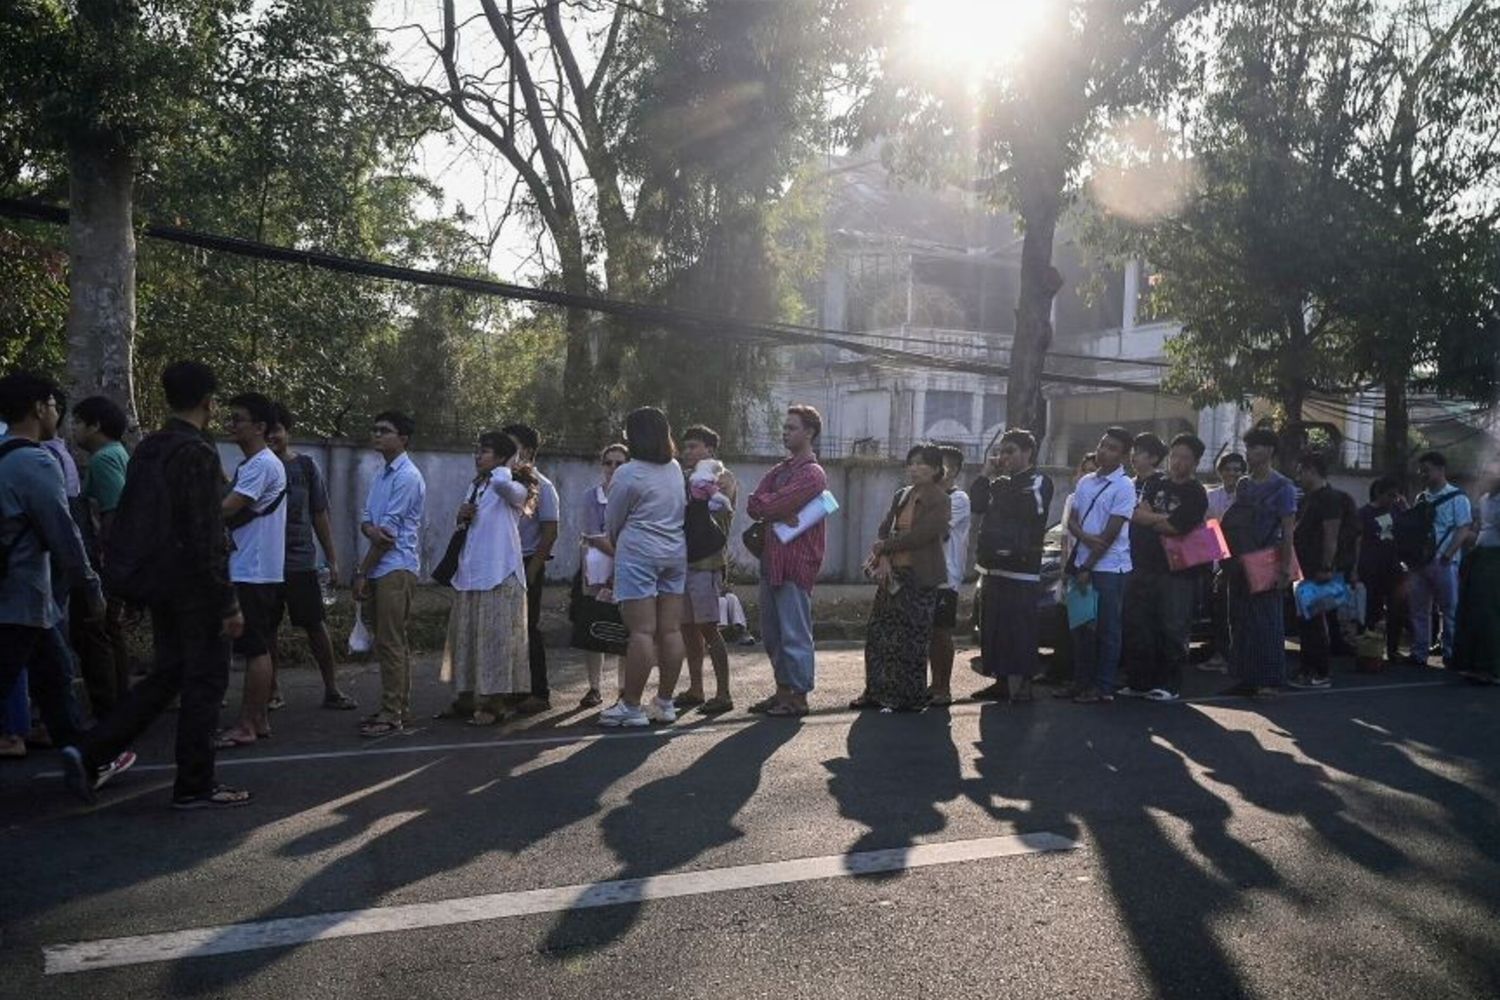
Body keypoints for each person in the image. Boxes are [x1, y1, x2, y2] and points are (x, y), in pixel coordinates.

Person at [72, 360, 248, 808]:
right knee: (206, 683)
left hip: (158, 583)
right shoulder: (197, 452)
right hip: (196, 587)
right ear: (209, 402)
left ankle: (92, 750)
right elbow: (206, 533)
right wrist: (227, 601)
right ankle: (195, 785)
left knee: (166, 674)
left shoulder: (149, 446)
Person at [0, 372, 133, 795]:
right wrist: (90, 588)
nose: (58, 414)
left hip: (29, 603)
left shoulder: (3, 456)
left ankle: (84, 758)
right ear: (39, 408)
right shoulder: (34, 462)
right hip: (19, 598)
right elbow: (63, 534)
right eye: (55, 406)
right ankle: (86, 758)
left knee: (56, 681)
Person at [438, 431, 537, 725]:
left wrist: (504, 468)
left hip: (499, 573)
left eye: (485, 451)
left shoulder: (510, 483)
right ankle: (466, 698)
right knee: (467, 639)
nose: (478, 456)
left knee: (496, 641)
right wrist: (462, 514)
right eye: (478, 450)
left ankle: (495, 704)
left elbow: (514, 494)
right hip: (470, 572)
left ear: (501, 457)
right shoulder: (476, 485)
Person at [599, 407, 688, 727]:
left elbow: (614, 520)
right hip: (675, 553)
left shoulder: (628, 472)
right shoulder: (675, 468)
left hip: (638, 552)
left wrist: (617, 541)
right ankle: (665, 703)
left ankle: (632, 706)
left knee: (641, 631)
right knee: (670, 630)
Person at [265, 403, 355, 711]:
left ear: (287, 431)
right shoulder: (253, 468)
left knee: (315, 624)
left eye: (276, 430)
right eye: (265, 431)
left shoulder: (305, 466)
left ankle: (332, 688)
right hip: (265, 564)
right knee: (266, 630)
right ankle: (271, 690)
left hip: (300, 561)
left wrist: (332, 558)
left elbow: (319, 514)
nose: (271, 437)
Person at [852, 445, 951, 712]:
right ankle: (875, 691)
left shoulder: (940, 499)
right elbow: (884, 529)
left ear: (936, 469)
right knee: (879, 634)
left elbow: (922, 535)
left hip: (920, 577)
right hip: (892, 575)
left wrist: (885, 547)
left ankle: (909, 696)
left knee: (912, 639)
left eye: (922, 464)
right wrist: (883, 556)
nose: (915, 468)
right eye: (912, 463)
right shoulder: (902, 495)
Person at [215, 393, 288, 749]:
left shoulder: (261, 464)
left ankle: (246, 723)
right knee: (256, 645)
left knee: (255, 648)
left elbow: (228, 509)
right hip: (255, 567)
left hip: (252, 569)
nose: (232, 425)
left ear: (260, 427)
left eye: (238, 419)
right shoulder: (255, 465)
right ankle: (257, 719)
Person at [746, 405, 829, 717]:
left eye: (792, 427)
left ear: (809, 432)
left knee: (794, 632)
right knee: (772, 634)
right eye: (785, 427)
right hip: (772, 559)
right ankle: (782, 691)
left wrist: (774, 506)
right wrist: (776, 507)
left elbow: (771, 504)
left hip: (796, 562)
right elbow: (754, 505)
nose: (785, 432)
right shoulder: (780, 470)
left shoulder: (812, 473)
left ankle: (798, 696)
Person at [1120, 433, 1210, 702]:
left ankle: (1169, 684)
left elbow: (1176, 527)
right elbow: (1137, 514)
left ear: (1195, 463)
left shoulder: (1196, 492)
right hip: (1143, 564)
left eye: (1185, 458)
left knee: (1172, 627)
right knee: (1140, 625)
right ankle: (1139, 682)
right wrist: (1162, 519)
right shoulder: (1156, 482)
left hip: (1178, 571)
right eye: (1175, 456)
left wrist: (1154, 520)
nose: (1178, 462)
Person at [353, 411, 426, 738]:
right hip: (383, 565)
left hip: (396, 567)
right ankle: (397, 707)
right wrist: (371, 531)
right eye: (375, 429)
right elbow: (367, 521)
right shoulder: (382, 474)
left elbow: (387, 535)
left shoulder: (407, 476)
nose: (377, 434)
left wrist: (362, 572)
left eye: (385, 430)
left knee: (391, 642)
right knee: (389, 642)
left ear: (404, 439)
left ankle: (393, 712)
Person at [969, 429, 1054, 703]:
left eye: (1011, 451)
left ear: (1028, 452)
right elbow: (977, 503)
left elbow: (1029, 509)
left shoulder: (1039, 481)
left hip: (1021, 567)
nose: (1004, 457)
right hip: (992, 566)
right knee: (993, 628)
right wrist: (985, 474)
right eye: (1002, 451)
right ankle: (1000, 681)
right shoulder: (999, 482)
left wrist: (1002, 487)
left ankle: (1026, 683)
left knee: (1021, 628)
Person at [1064, 427, 1138, 703]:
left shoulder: (1124, 486)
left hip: (1109, 569)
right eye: (1102, 444)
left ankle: (1103, 686)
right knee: (1081, 627)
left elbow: (1110, 535)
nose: (1104, 451)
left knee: (1107, 629)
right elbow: (1072, 519)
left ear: (1124, 455)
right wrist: (1085, 539)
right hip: (1082, 561)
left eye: (1112, 448)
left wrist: (1088, 565)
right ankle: (1080, 682)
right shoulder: (1085, 482)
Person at [1222, 427, 1298, 697]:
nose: (1250, 452)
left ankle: (1269, 679)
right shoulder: (1243, 483)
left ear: (1269, 451)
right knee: (1240, 619)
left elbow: (1288, 530)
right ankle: (1245, 677)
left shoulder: (1284, 487)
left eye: (1255, 447)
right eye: (1249, 447)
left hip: (1266, 558)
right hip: (1239, 559)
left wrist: (1285, 569)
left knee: (1266, 621)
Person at [71, 394, 132, 714]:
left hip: (109, 558)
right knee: (112, 630)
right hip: (120, 556)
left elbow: (113, 510)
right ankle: (122, 699)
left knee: (100, 629)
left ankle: (112, 706)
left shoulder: (103, 459)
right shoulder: (117, 453)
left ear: (96, 425)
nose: (74, 429)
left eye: (79, 422)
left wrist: (106, 554)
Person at [675, 425, 739, 715]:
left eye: (694, 446)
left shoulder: (721, 477)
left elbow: (718, 512)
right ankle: (696, 688)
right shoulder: (686, 477)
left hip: (707, 563)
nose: (687, 452)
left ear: (709, 450)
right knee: (688, 628)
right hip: (685, 561)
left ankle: (723, 693)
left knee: (710, 629)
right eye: (685, 447)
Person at [1288, 451, 1359, 689]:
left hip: (1318, 570)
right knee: (1306, 622)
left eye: (1300, 470)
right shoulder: (1308, 498)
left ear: (1311, 470)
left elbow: (1331, 535)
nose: (1298, 476)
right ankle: (1307, 668)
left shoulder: (1328, 499)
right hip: (1304, 570)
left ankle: (1319, 672)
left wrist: (1326, 566)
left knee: (1315, 623)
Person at [503, 423, 559, 714]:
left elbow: (550, 531)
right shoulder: (499, 482)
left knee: (528, 627)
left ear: (526, 451)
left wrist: (534, 569)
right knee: (504, 629)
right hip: (500, 563)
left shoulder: (543, 486)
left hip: (526, 563)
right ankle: (511, 689)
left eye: (509, 444)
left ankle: (539, 692)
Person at [1406, 451, 1473, 667]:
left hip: (1444, 562)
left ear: (1441, 470)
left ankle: (1451, 653)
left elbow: (1464, 528)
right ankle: (1419, 653)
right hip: (1420, 563)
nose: (1422, 474)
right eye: (1421, 470)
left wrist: (1447, 555)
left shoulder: (1458, 497)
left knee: (1450, 610)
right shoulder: (1421, 498)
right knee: (1418, 610)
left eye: (1427, 470)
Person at [578, 443, 628, 707]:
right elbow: (591, 535)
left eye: (619, 463)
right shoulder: (590, 496)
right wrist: (624, 553)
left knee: (625, 629)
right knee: (594, 627)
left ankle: (623, 688)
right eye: (608, 463)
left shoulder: (633, 494)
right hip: (597, 572)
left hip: (627, 572)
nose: (613, 468)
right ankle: (594, 687)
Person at [1120, 432, 1168, 686]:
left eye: (1139, 451)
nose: (1133, 456)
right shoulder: (1127, 483)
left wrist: (1147, 516)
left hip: (1151, 561)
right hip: (1124, 558)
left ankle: (1149, 678)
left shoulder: (1162, 484)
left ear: (1153, 457)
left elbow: (1165, 519)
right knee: (1129, 621)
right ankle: (1133, 675)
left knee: (1147, 622)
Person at [925, 443, 970, 706]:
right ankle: (933, 684)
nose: (943, 471)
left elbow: (937, 530)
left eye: (948, 466)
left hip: (946, 575)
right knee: (928, 632)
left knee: (941, 632)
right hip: (924, 573)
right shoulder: (923, 495)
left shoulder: (958, 499)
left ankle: (944, 686)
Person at [1453, 457, 1500, 684]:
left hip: (1495, 560)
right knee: (1472, 611)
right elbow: (1480, 529)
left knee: (1489, 614)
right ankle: (1472, 663)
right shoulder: (1484, 500)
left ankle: (1491, 667)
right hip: (1480, 558)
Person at [1201, 452, 1247, 672]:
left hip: (1243, 560)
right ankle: (1221, 654)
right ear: (1221, 472)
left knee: (1240, 612)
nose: (1233, 473)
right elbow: (1210, 528)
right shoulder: (1211, 497)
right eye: (1228, 469)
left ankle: (1238, 656)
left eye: (1237, 469)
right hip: (1219, 560)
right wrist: (1218, 564)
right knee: (1219, 611)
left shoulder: (1247, 496)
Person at [1358, 476, 1407, 665]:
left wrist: (1405, 507)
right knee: (1372, 609)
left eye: (1395, 496)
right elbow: (1358, 541)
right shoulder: (1364, 513)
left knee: (1397, 609)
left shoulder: (1396, 510)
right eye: (1390, 495)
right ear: (1379, 493)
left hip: (1394, 565)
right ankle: (1370, 649)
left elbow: (1409, 529)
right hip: (1371, 566)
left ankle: (1393, 648)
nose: (1393, 499)